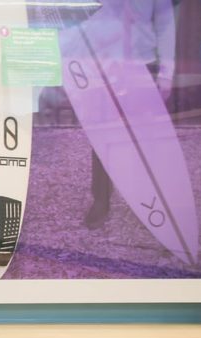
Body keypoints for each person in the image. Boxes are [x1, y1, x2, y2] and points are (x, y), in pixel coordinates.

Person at [82, 0, 176, 228]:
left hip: (143, 65)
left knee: (147, 141)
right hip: (103, 65)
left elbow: (165, 24)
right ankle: (101, 201)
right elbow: (85, 17)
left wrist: (166, 72)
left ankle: (150, 202)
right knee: (103, 138)